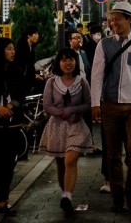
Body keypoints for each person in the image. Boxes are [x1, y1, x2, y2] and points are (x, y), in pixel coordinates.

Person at [89, 0, 131, 212]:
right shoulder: (104, 45)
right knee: (112, 155)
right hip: (110, 105)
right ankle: (118, 197)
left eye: (118, 19)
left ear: (130, 20)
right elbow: (97, 75)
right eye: (111, 20)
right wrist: (94, 103)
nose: (113, 24)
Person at [41, 47, 94, 216]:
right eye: (63, 60)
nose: (67, 63)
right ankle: (66, 197)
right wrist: (60, 113)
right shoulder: (51, 82)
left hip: (77, 126)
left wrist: (71, 110)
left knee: (70, 160)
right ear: (58, 62)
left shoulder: (82, 81)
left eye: (70, 59)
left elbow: (88, 103)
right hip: (56, 127)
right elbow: (47, 105)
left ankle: (67, 195)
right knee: (60, 163)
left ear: (75, 61)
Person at [0, 38, 26, 215]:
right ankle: (1, 198)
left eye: (13, 49)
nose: (12, 52)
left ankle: (3, 198)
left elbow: (22, 93)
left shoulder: (16, 70)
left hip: (13, 122)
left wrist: (10, 106)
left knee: (9, 161)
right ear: (1, 50)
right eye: (9, 49)